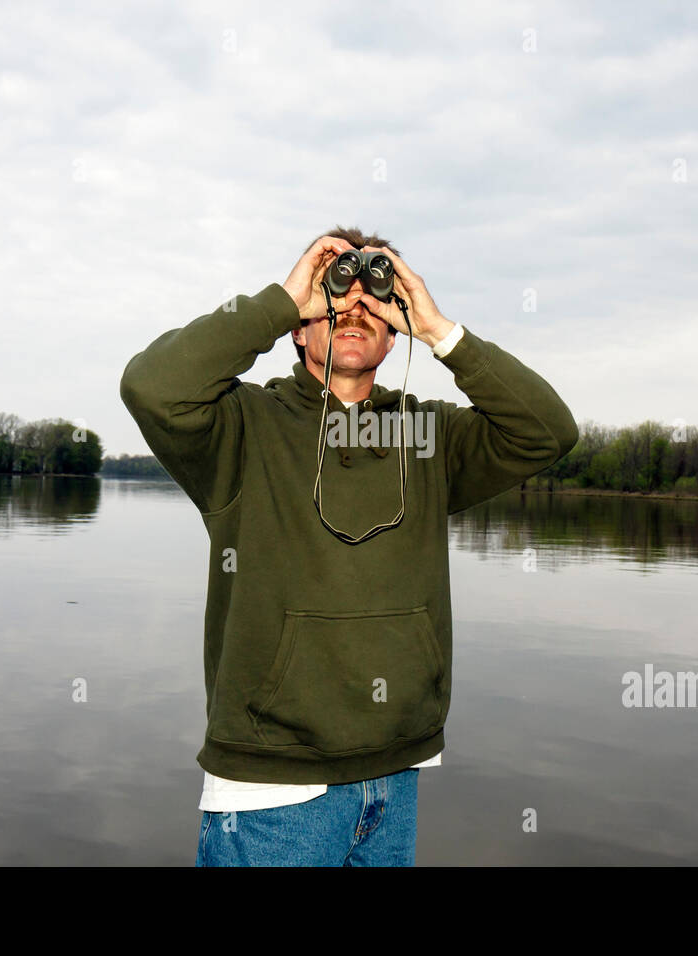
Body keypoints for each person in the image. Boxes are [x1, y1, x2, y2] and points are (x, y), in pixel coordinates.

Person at [119, 226, 578, 866]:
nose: (354, 309)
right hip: (273, 791)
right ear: (299, 331)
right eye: (336, 296)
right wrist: (282, 297)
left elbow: (547, 432)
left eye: (374, 302)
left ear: (395, 335)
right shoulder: (240, 427)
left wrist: (440, 330)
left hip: (395, 774)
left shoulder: (427, 436)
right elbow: (151, 385)